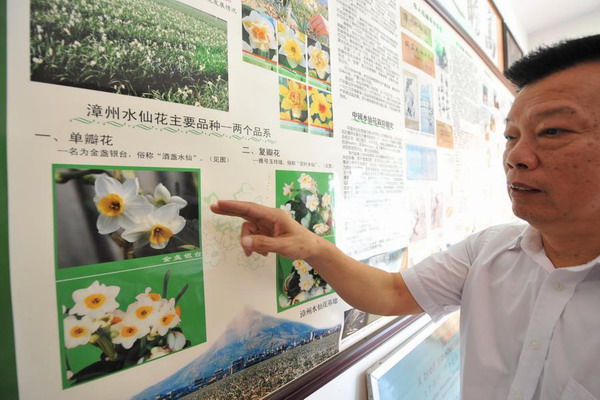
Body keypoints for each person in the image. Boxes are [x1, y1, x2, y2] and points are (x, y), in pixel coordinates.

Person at [211, 34, 600, 400]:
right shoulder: (490, 249)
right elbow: (391, 293)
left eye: (552, 131)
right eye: (511, 136)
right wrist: (311, 246)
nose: (516, 156)